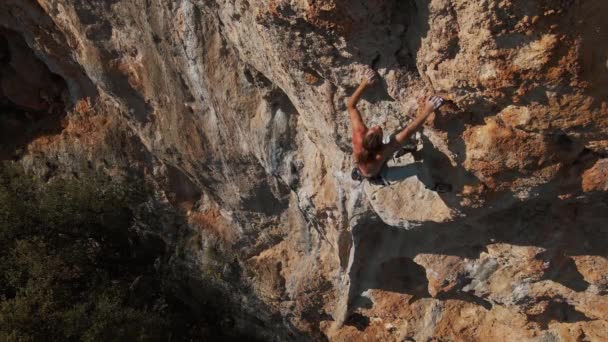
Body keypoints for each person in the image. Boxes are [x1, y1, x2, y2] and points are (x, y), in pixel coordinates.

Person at [347, 69, 444, 183]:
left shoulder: (359, 134)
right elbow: (408, 131)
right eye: (379, 133)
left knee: (397, 136)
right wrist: (428, 109)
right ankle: (434, 186)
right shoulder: (381, 154)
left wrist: (364, 83)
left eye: (373, 130)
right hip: (380, 175)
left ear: (365, 135)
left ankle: (403, 150)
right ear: (379, 146)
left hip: (371, 159)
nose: (377, 127)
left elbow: (351, 106)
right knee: (418, 167)